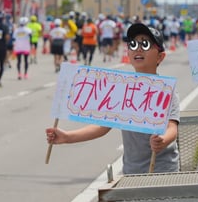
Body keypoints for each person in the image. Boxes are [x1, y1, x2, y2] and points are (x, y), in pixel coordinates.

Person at [46, 23, 180, 175]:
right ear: (128, 52)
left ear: (160, 56)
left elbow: (172, 128)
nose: (139, 49)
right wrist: (67, 137)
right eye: (133, 44)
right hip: (132, 172)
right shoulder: (122, 88)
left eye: (146, 44)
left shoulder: (166, 89)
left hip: (163, 171)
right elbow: (103, 126)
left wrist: (163, 140)